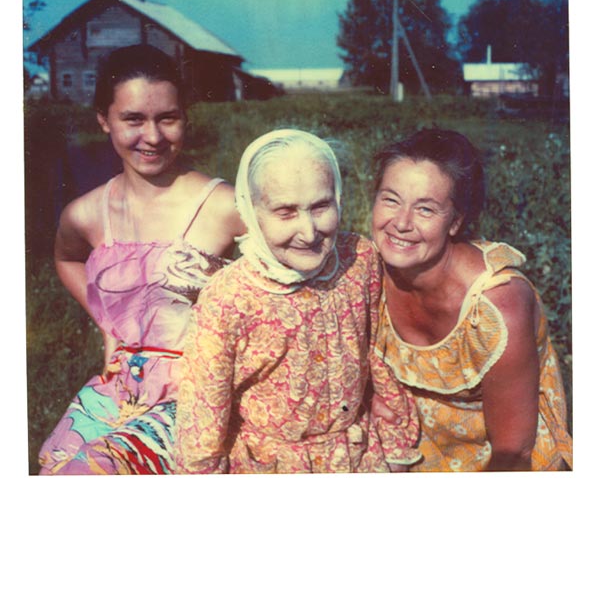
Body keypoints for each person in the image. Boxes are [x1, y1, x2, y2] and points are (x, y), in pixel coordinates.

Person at [38, 44, 245, 475]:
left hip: (197, 397)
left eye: (167, 118)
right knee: (54, 468)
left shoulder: (226, 206)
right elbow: (67, 259)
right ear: (104, 120)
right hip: (120, 387)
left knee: (90, 473)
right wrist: (107, 323)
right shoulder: (85, 213)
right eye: (133, 119)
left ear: (185, 117)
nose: (152, 137)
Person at [174, 128, 420, 474]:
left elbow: (382, 354)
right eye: (286, 212)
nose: (309, 231)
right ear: (251, 212)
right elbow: (202, 411)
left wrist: (395, 446)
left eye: (320, 206)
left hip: (358, 455)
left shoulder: (360, 261)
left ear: (338, 198)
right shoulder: (229, 297)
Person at [370, 127, 573, 471]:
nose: (401, 223)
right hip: (411, 454)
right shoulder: (366, 271)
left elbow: (513, 452)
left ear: (456, 221)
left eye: (425, 209)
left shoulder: (496, 307)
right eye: (390, 200)